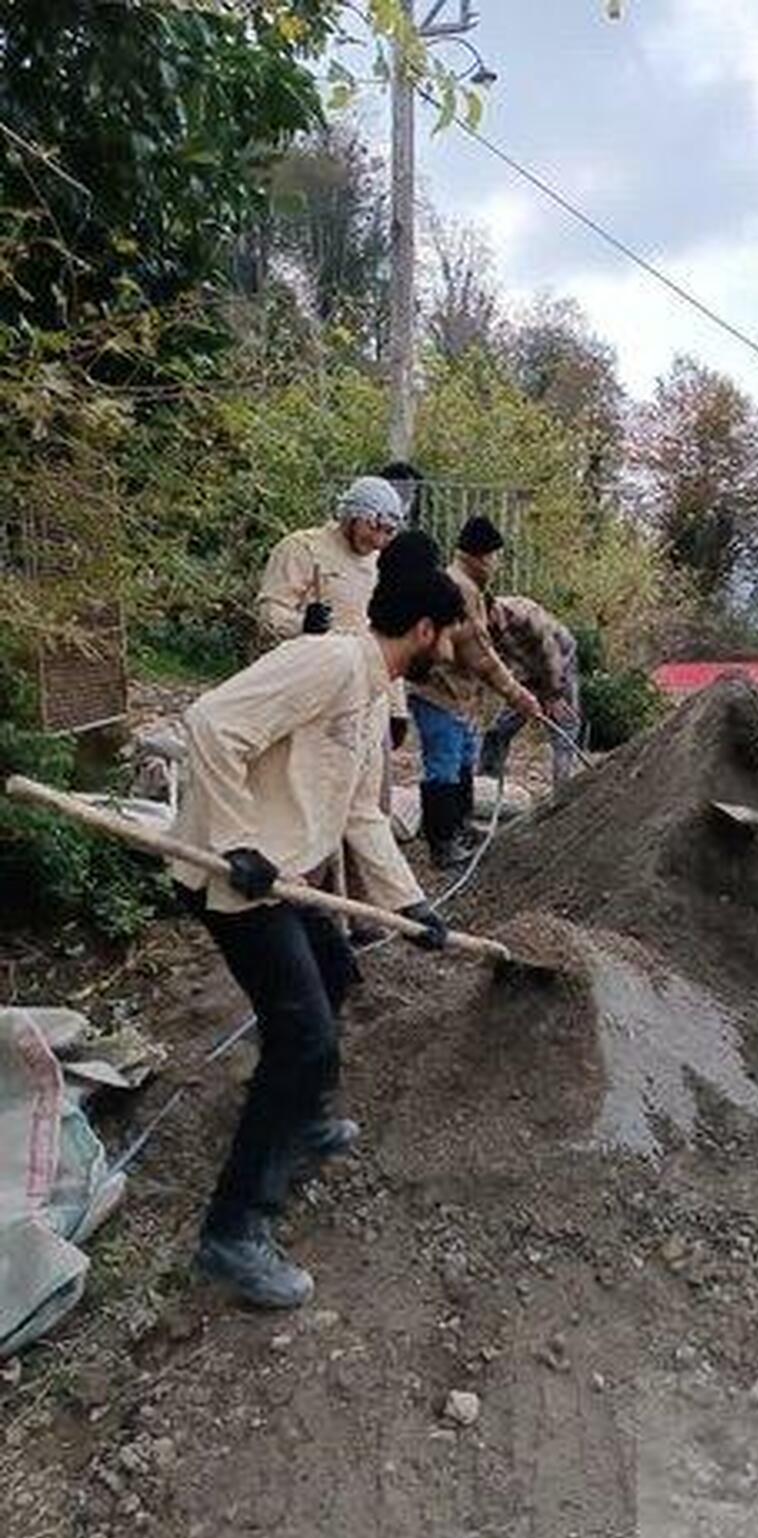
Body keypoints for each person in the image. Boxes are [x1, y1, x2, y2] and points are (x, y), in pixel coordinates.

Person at [172, 565, 466, 1309]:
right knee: (304, 1036)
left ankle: (301, 1120)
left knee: (334, 975)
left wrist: (412, 902)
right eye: (452, 636)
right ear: (425, 630)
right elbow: (212, 721)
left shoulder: (371, 694)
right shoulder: (328, 661)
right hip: (239, 879)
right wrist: (238, 838)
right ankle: (234, 1233)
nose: (453, 653)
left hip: (292, 872)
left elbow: (360, 812)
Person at [408, 515, 541, 869]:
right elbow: (480, 655)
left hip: (459, 696)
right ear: (481, 556)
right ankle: (442, 842)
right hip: (439, 691)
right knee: (444, 767)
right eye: (496, 556)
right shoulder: (461, 589)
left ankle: (460, 827)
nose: (497, 564)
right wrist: (518, 695)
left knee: (464, 759)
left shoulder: (472, 588)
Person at [256, 475, 412, 750]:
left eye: (388, 532)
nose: (378, 540)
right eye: (373, 528)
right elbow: (269, 613)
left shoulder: (382, 565)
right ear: (352, 515)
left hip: (364, 697)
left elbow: (387, 638)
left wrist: (397, 708)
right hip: (306, 686)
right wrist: (302, 623)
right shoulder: (302, 548)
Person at [479, 595, 582, 789]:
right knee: (498, 731)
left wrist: (554, 695)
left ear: (493, 609)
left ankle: (563, 794)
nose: (483, 625)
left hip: (560, 663)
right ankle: (486, 787)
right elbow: (496, 664)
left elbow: (551, 652)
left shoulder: (524, 613)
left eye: (486, 619)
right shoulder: (479, 625)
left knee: (565, 725)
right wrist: (519, 694)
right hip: (525, 671)